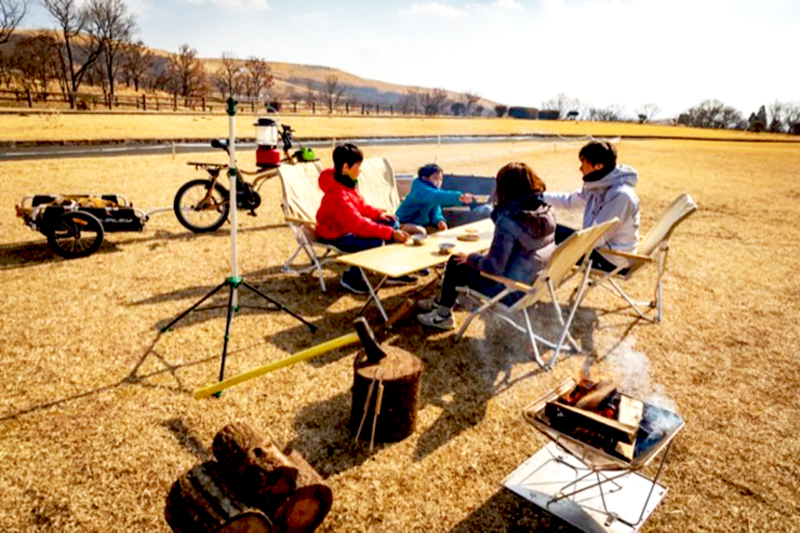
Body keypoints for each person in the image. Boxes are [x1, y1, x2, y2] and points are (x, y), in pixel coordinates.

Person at [417, 162, 556, 330]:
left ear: (505, 188)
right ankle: (442, 300)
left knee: (456, 261)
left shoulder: (509, 220)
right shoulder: (546, 212)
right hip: (533, 282)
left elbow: (493, 267)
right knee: (467, 259)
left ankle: (442, 316)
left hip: (510, 291)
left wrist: (472, 258)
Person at [315, 143, 413, 294]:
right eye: (358, 166)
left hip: (348, 227)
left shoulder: (344, 181)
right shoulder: (338, 196)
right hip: (337, 234)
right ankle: (351, 277)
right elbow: (358, 226)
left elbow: (360, 205)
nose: (360, 170)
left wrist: (378, 214)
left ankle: (391, 270)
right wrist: (391, 233)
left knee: (391, 221)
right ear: (346, 167)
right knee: (375, 241)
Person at [543, 140, 640, 273]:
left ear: (598, 166)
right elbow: (570, 201)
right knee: (548, 229)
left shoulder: (620, 196)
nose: (580, 168)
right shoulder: (598, 184)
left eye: (583, 163)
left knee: (546, 230)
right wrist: (540, 197)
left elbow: (596, 238)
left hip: (612, 260)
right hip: (601, 249)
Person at [396, 163, 473, 232]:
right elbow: (435, 196)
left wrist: (439, 221)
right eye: (435, 178)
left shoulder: (434, 192)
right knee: (420, 231)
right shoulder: (420, 190)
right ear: (425, 178)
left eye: (440, 179)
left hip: (421, 224)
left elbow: (436, 211)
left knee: (441, 231)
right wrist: (459, 197)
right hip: (402, 223)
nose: (439, 182)